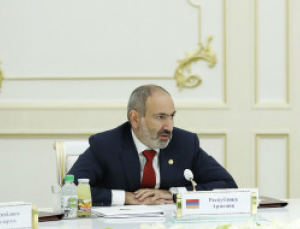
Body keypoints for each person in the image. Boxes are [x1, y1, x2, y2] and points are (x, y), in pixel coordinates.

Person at [68, 85, 237, 206]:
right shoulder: (106, 145)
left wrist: (173, 194)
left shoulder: (185, 143)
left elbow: (227, 185)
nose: (169, 126)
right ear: (135, 119)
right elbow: (70, 191)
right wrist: (125, 197)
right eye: (160, 117)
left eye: (171, 116)